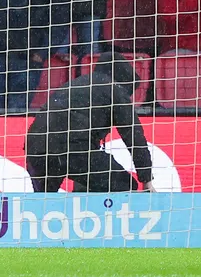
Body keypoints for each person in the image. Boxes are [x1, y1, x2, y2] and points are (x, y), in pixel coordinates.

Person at [25, 57, 154, 192]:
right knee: (122, 185)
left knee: (45, 202)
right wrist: (146, 179)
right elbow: (134, 136)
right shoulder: (115, 89)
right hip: (73, 146)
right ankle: (93, 211)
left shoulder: (73, 85)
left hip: (35, 146)